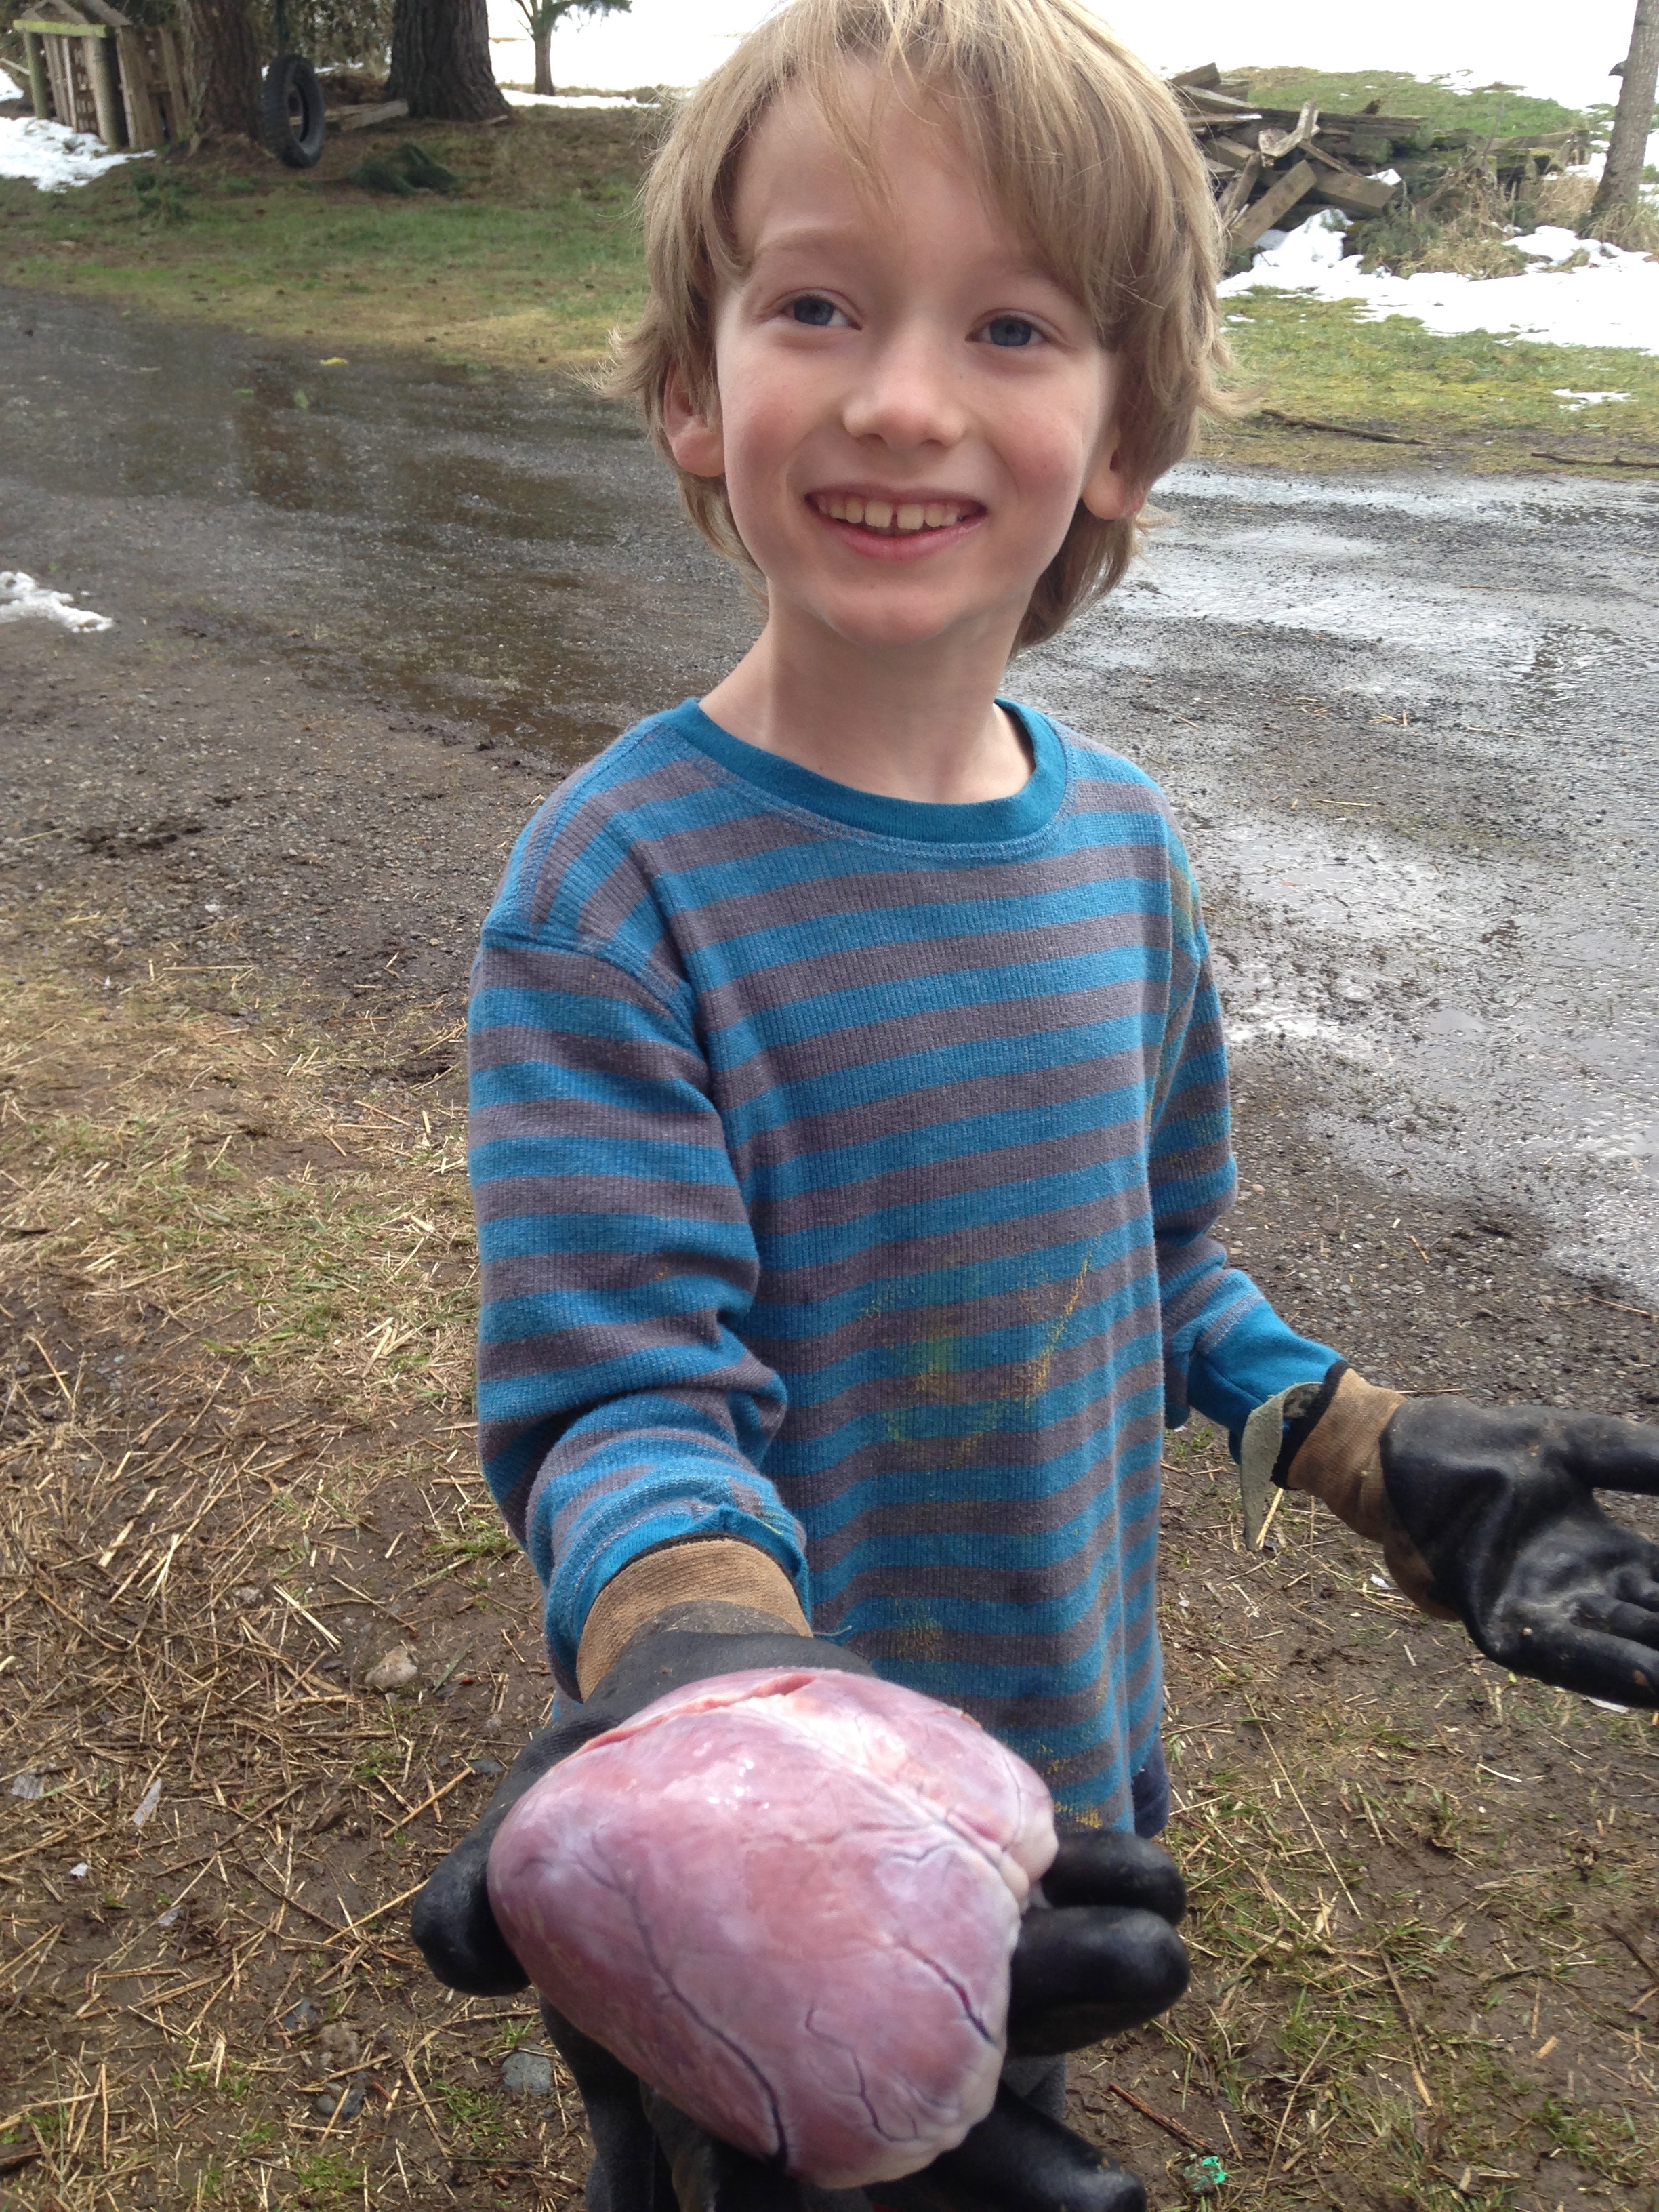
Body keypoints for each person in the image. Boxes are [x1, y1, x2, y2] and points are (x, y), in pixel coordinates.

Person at [413, 3, 1659, 2207]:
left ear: (1120, 438)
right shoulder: (615, 897)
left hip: (1066, 1801)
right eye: (819, 303)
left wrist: (1378, 1452)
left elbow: (1156, 1266)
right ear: (697, 391)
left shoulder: (1126, 850)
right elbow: (622, 1411)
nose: (903, 395)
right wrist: (726, 1720)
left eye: (1010, 324)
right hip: (750, 1891)